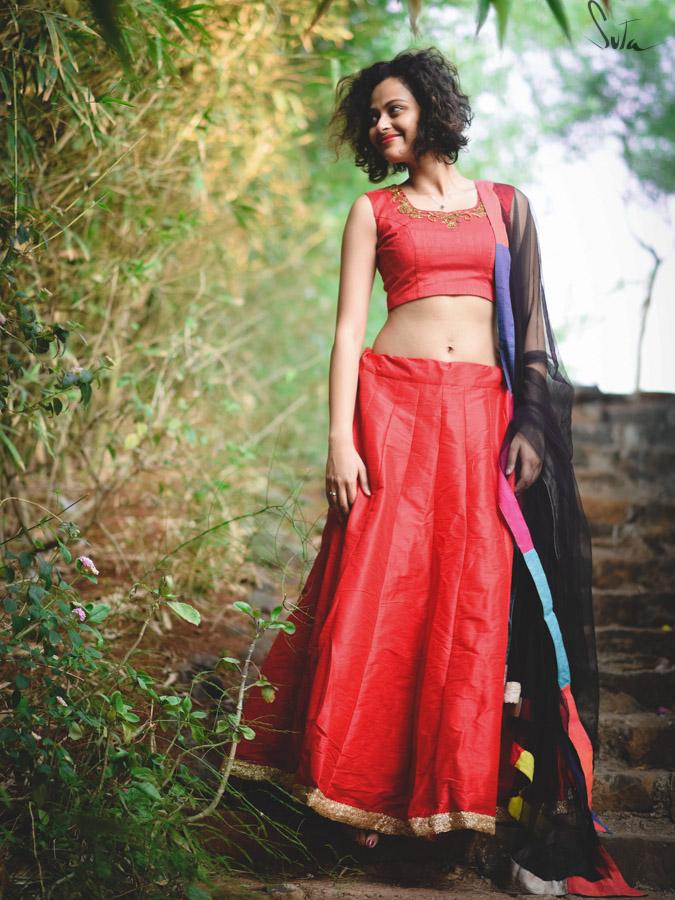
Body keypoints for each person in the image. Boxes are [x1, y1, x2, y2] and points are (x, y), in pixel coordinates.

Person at [230, 48, 644, 897]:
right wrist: (339, 440)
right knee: (372, 596)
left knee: (467, 604)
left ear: (431, 106)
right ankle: (341, 792)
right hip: (390, 413)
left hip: (479, 425)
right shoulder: (371, 210)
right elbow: (348, 332)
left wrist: (529, 422)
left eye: (395, 109)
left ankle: (446, 803)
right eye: (372, 117)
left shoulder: (504, 207)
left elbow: (530, 330)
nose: (383, 125)